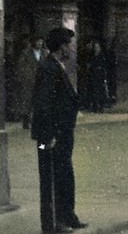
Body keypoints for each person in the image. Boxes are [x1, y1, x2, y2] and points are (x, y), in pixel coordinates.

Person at [31, 26, 88, 233]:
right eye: (68, 44)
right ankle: (53, 223)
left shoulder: (57, 66)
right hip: (52, 135)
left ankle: (67, 215)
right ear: (61, 47)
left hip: (62, 133)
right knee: (52, 179)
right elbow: (43, 104)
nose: (71, 48)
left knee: (64, 175)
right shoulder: (48, 68)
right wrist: (49, 135)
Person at [14, 35, 47, 129]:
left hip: (41, 81)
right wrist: (26, 76)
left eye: (41, 42)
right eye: (38, 41)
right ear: (34, 42)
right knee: (27, 101)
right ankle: (26, 121)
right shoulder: (26, 53)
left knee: (40, 101)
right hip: (29, 80)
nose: (39, 43)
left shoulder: (44, 53)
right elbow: (20, 66)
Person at [85, 40, 109, 113]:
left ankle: (101, 107)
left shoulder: (102, 56)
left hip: (100, 76)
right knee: (94, 91)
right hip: (93, 76)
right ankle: (94, 107)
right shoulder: (92, 56)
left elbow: (103, 66)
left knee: (100, 91)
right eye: (95, 47)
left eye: (97, 47)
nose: (96, 49)